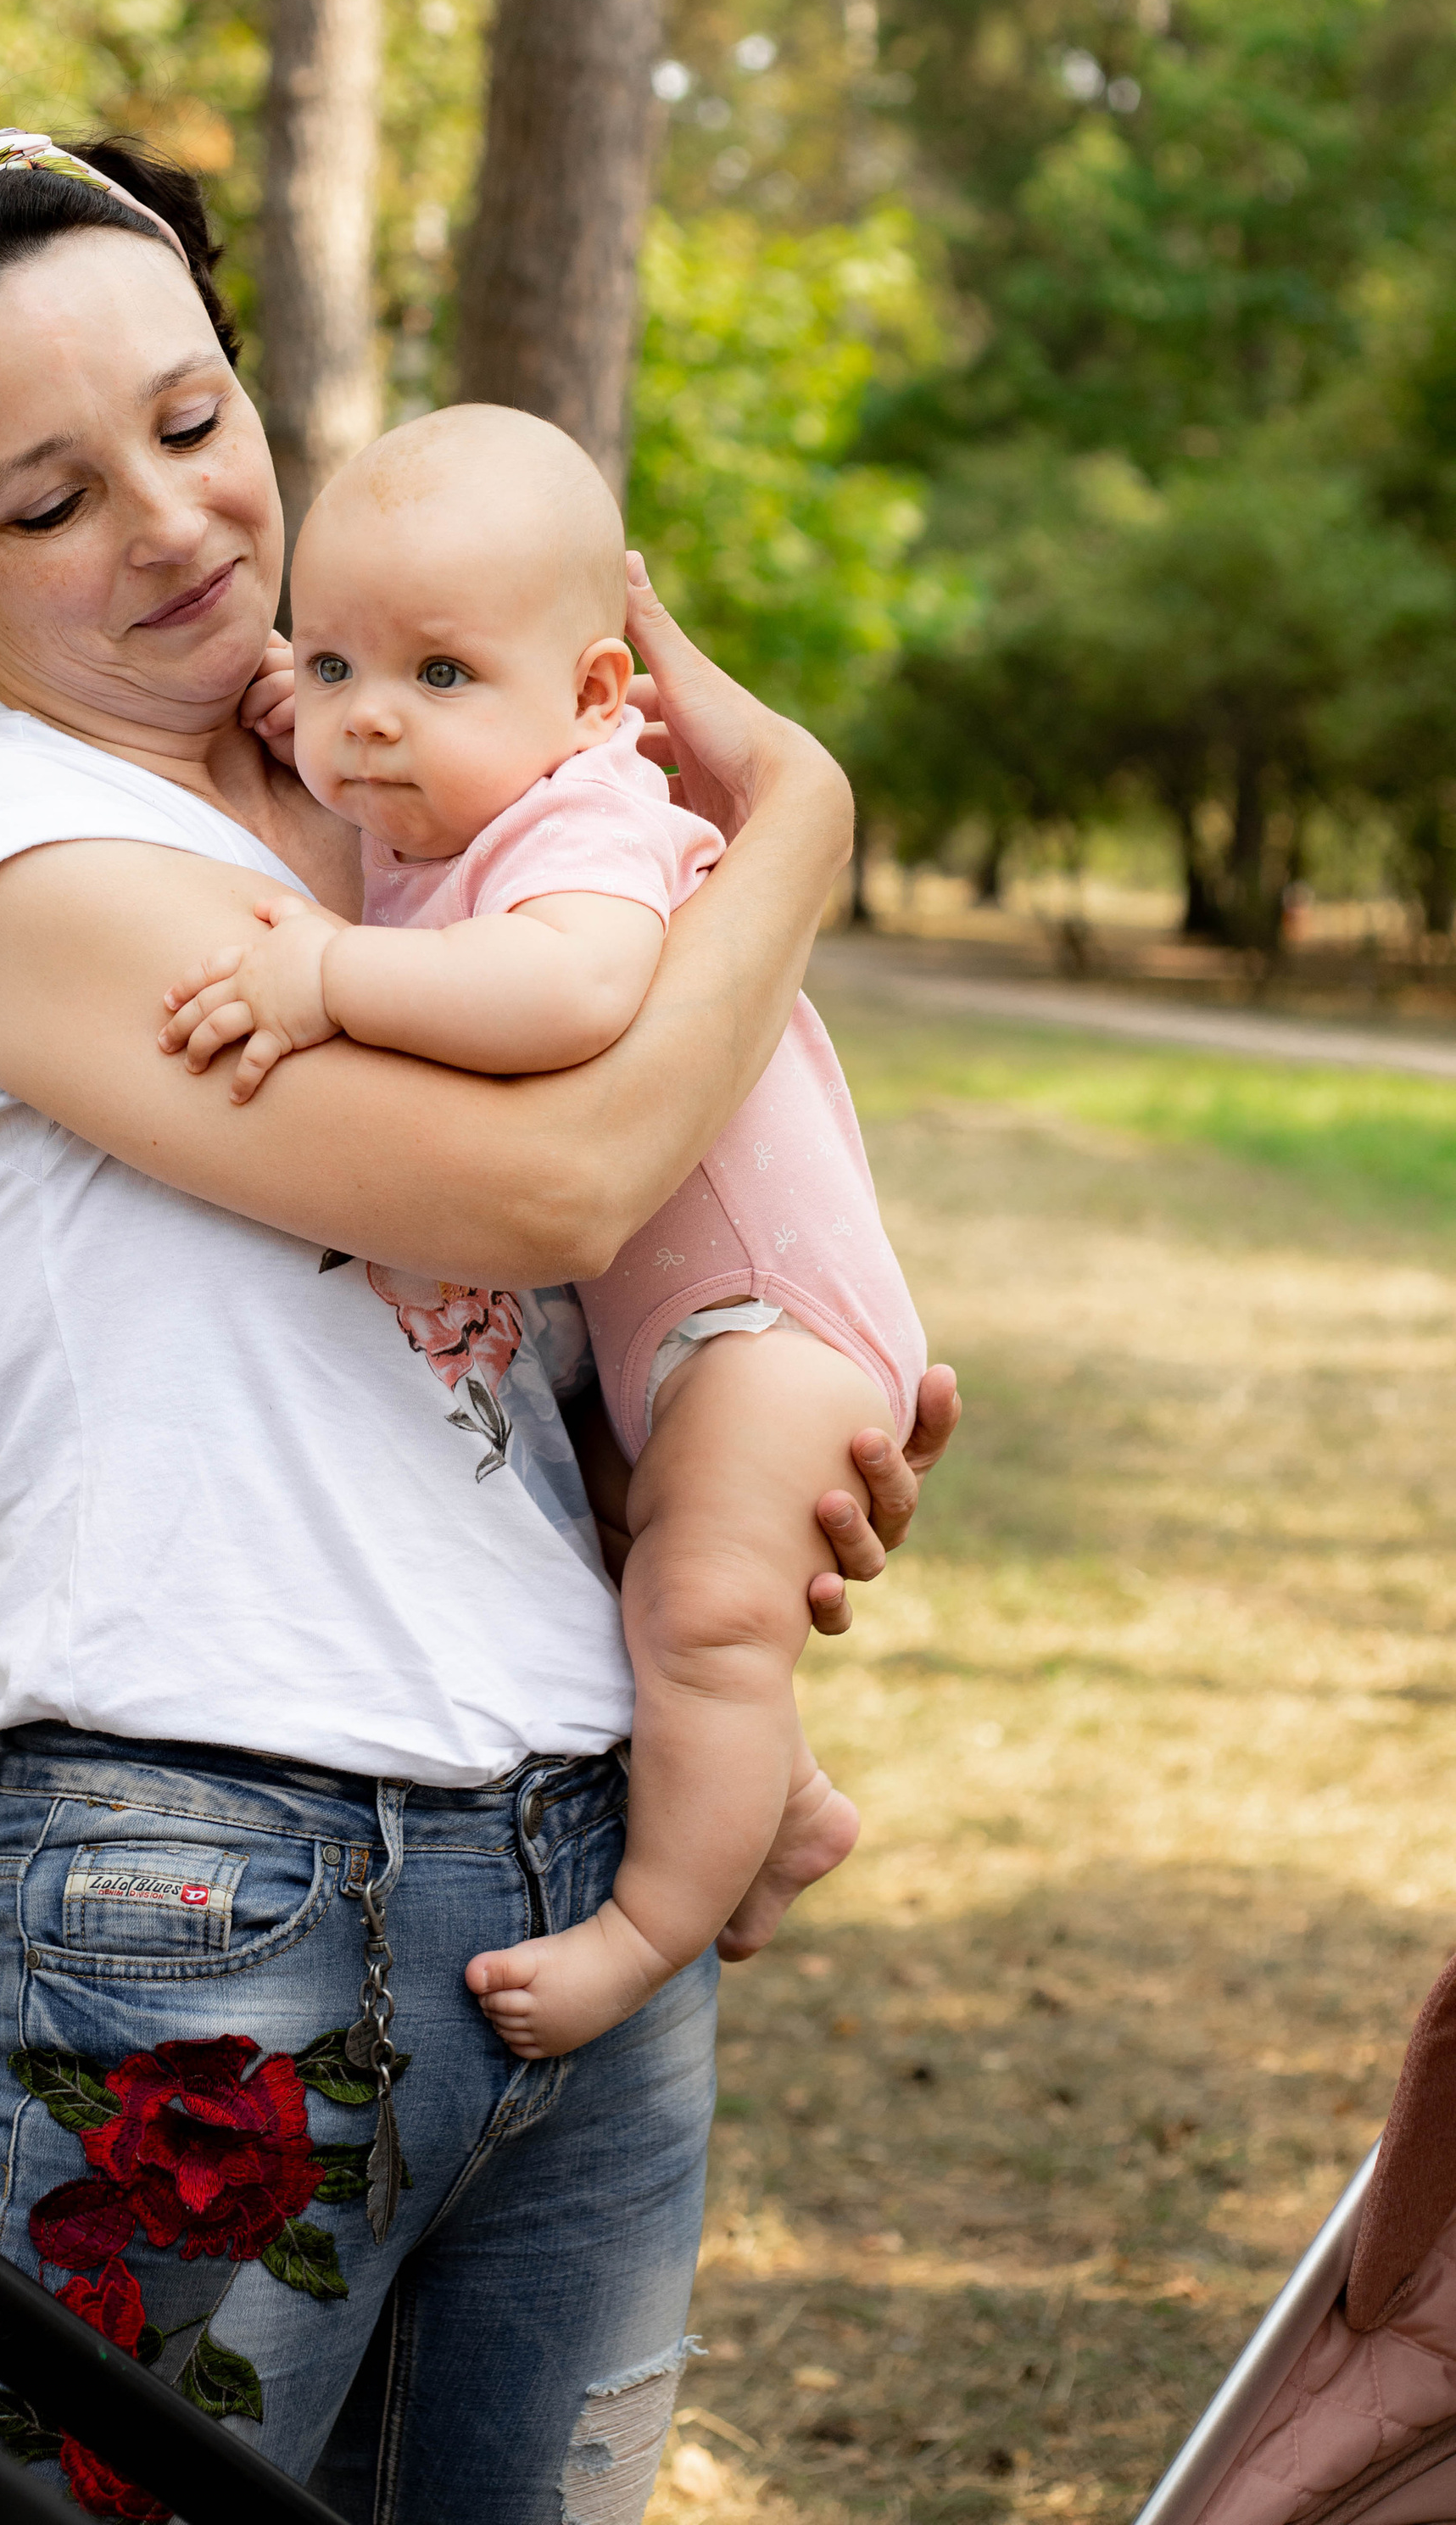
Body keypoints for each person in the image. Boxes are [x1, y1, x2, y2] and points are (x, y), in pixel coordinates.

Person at [0, 129, 961, 2525]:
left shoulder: (395, 827)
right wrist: (795, 823)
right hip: (194, 1909)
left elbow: (547, 1285)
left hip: (574, 1877)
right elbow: (562, 1169)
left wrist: (727, 1426)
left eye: (195, 424)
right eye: (52, 497)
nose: (178, 526)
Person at [159, 406, 925, 2062]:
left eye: (440, 677)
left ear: (591, 696)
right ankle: (775, 1793)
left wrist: (321, 978)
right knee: (615, 1565)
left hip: (760, 1313)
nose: (369, 723)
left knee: (703, 1611)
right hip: (651, 1332)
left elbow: (566, 991)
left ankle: (651, 1926)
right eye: (336, 666)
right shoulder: (416, 818)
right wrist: (283, 697)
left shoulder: (583, 822)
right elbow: (329, 714)